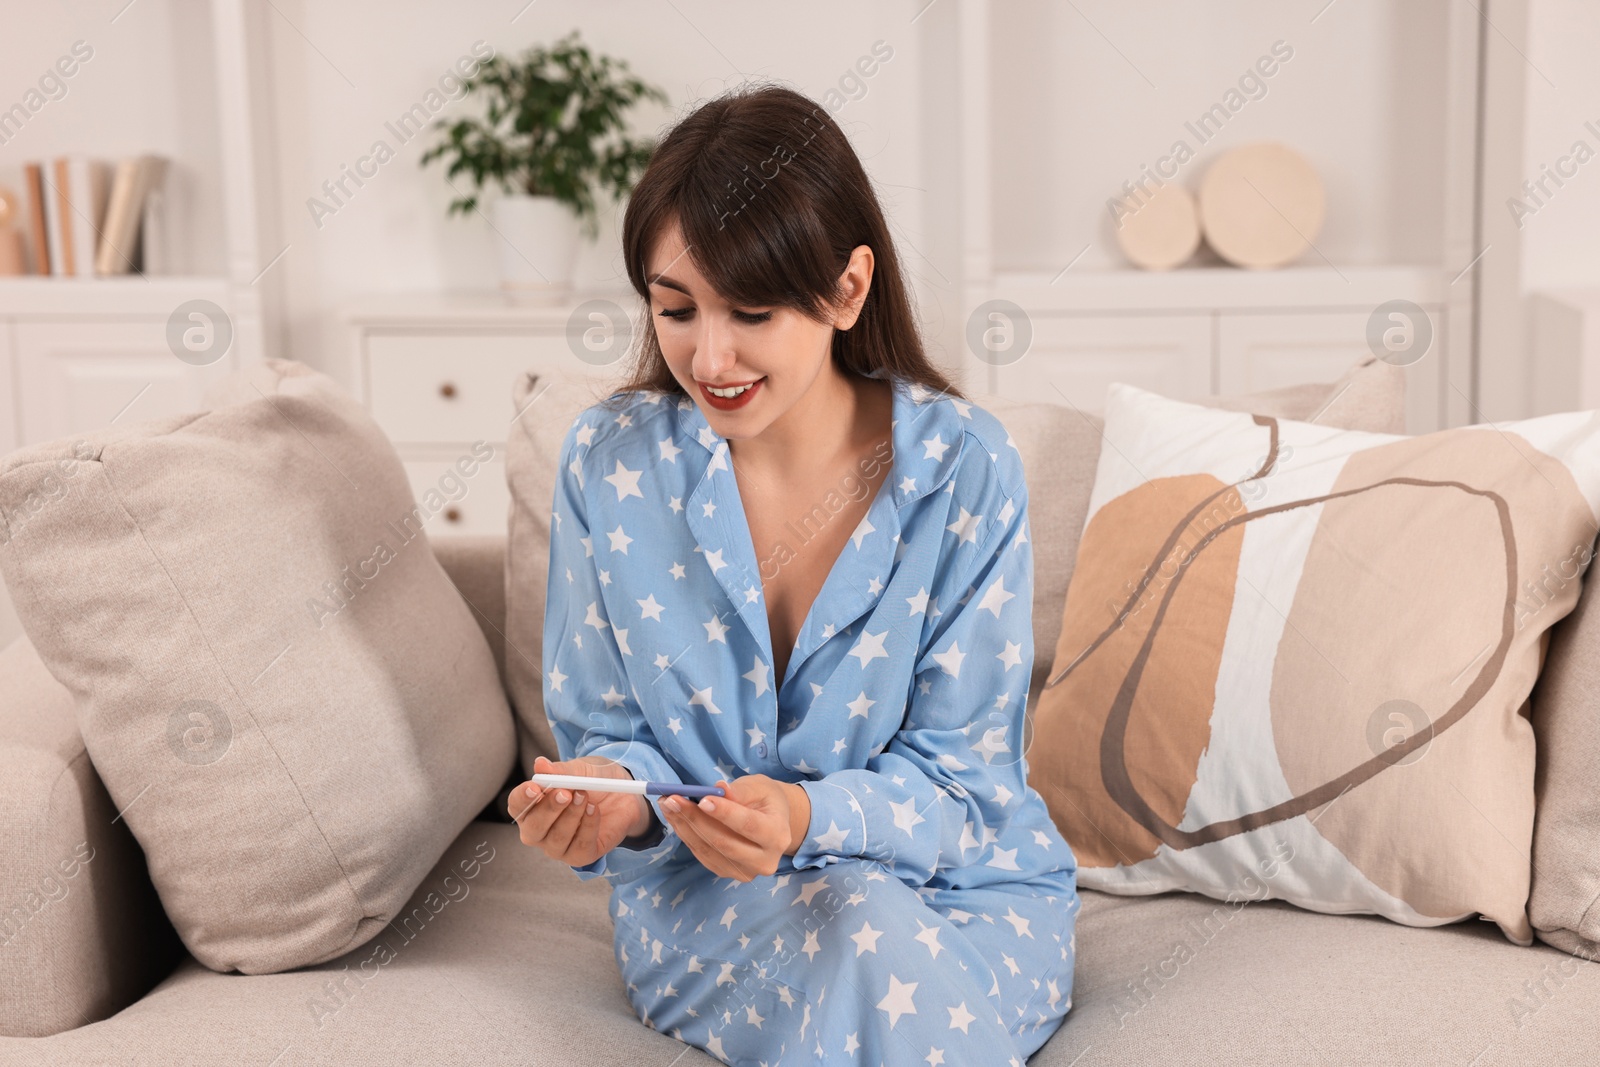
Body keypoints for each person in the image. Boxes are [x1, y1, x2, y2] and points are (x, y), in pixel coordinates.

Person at [506, 83, 1079, 1066]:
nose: (708, 355)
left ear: (848, 289)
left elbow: (968, 784)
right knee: (855, 932)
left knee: (872, 933)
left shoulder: (963, 466)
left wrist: (808, 815)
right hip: (717, 904)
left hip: (965, 896)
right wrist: (610, 800)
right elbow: (612, 735)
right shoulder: (611, 462)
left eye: (753, 310)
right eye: (674, 307)